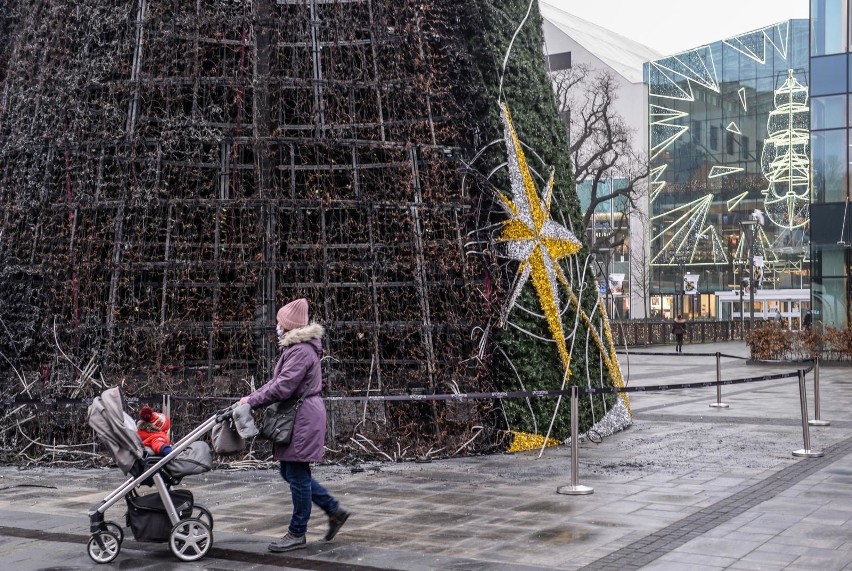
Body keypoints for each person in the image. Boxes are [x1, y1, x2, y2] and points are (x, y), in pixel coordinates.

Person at [240, 298, 349, 553]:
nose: (277, 325)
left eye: (279, 321)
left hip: (302, 418)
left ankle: (297, 533)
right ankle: (334, 510)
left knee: (297, 476)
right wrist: (252, 397)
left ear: (288, 325)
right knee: (289, 473)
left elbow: (283, 386)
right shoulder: (295, 348)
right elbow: (277, 382)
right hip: (299, 415)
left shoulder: (300, 351)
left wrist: (252, 400)